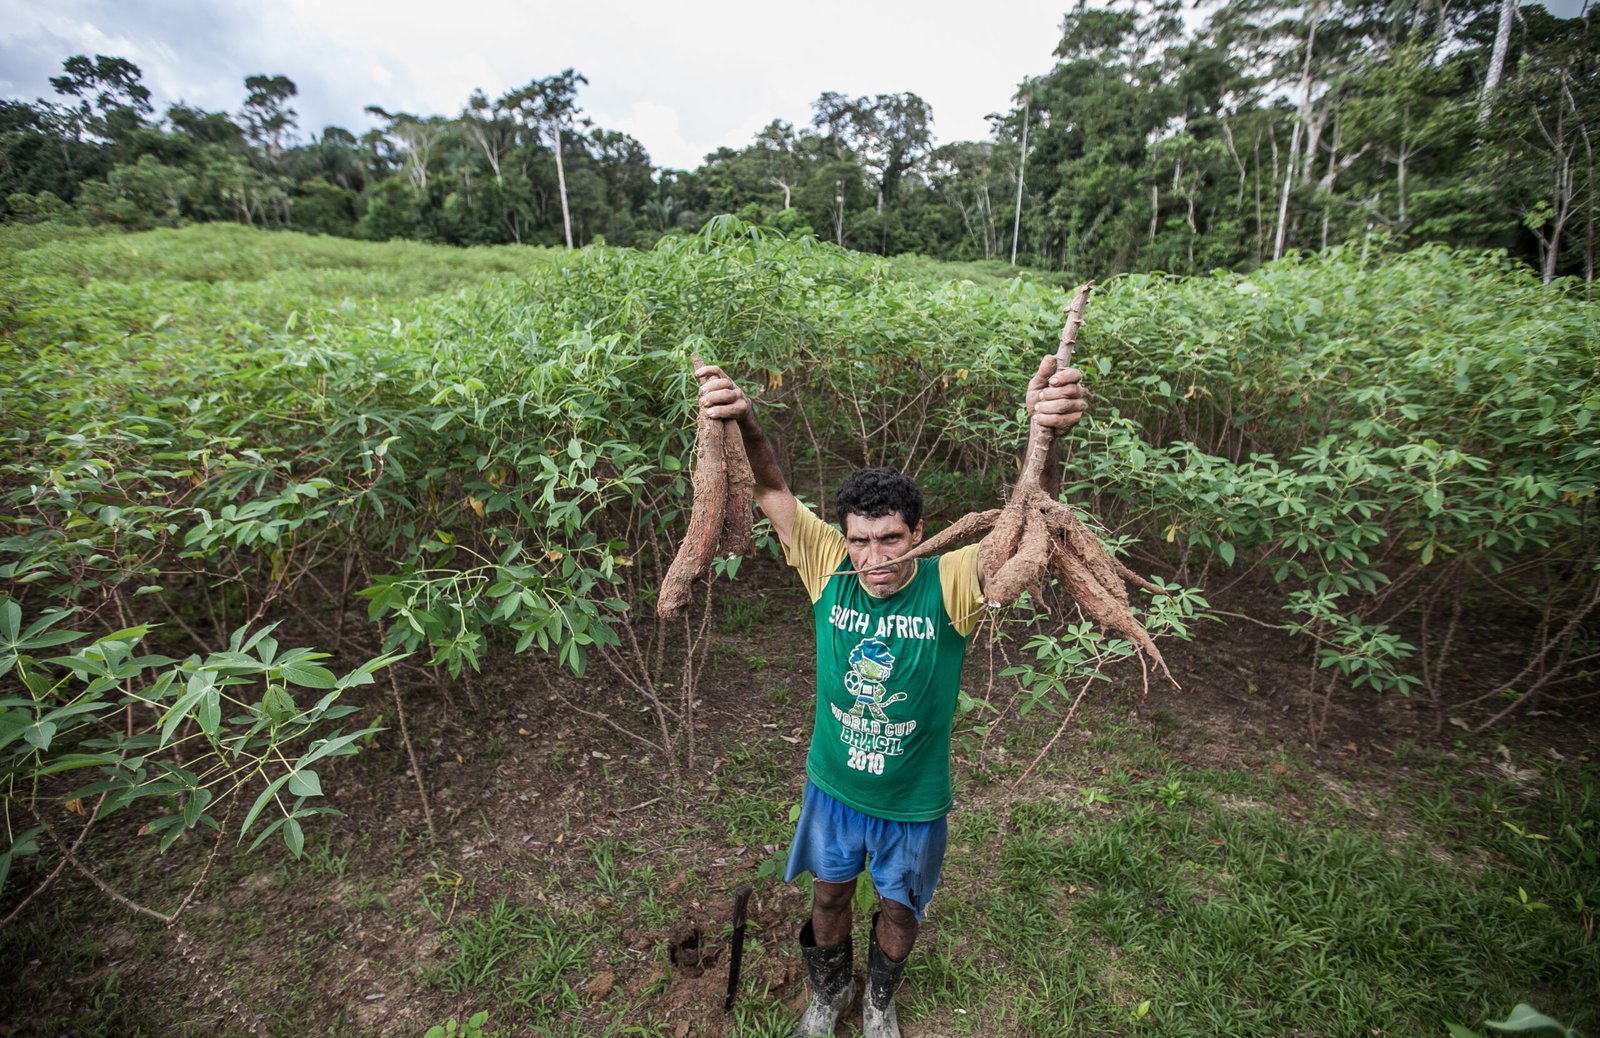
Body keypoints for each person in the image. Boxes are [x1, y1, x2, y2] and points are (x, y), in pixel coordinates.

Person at [696, 355, 1087, 1038]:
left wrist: (1047, 439)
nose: (875, 560)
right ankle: (831, 990)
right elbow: (772, 486)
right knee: (829, 895)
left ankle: (879, 998)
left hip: (912, 799)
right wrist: (744, 419)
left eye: (891, 541)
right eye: (860, 543)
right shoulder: (827, 569)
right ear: (843, 541)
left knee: (902, 909)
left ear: (918, 533)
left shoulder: (951, 581)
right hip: (836, 787)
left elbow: (1030, 527)